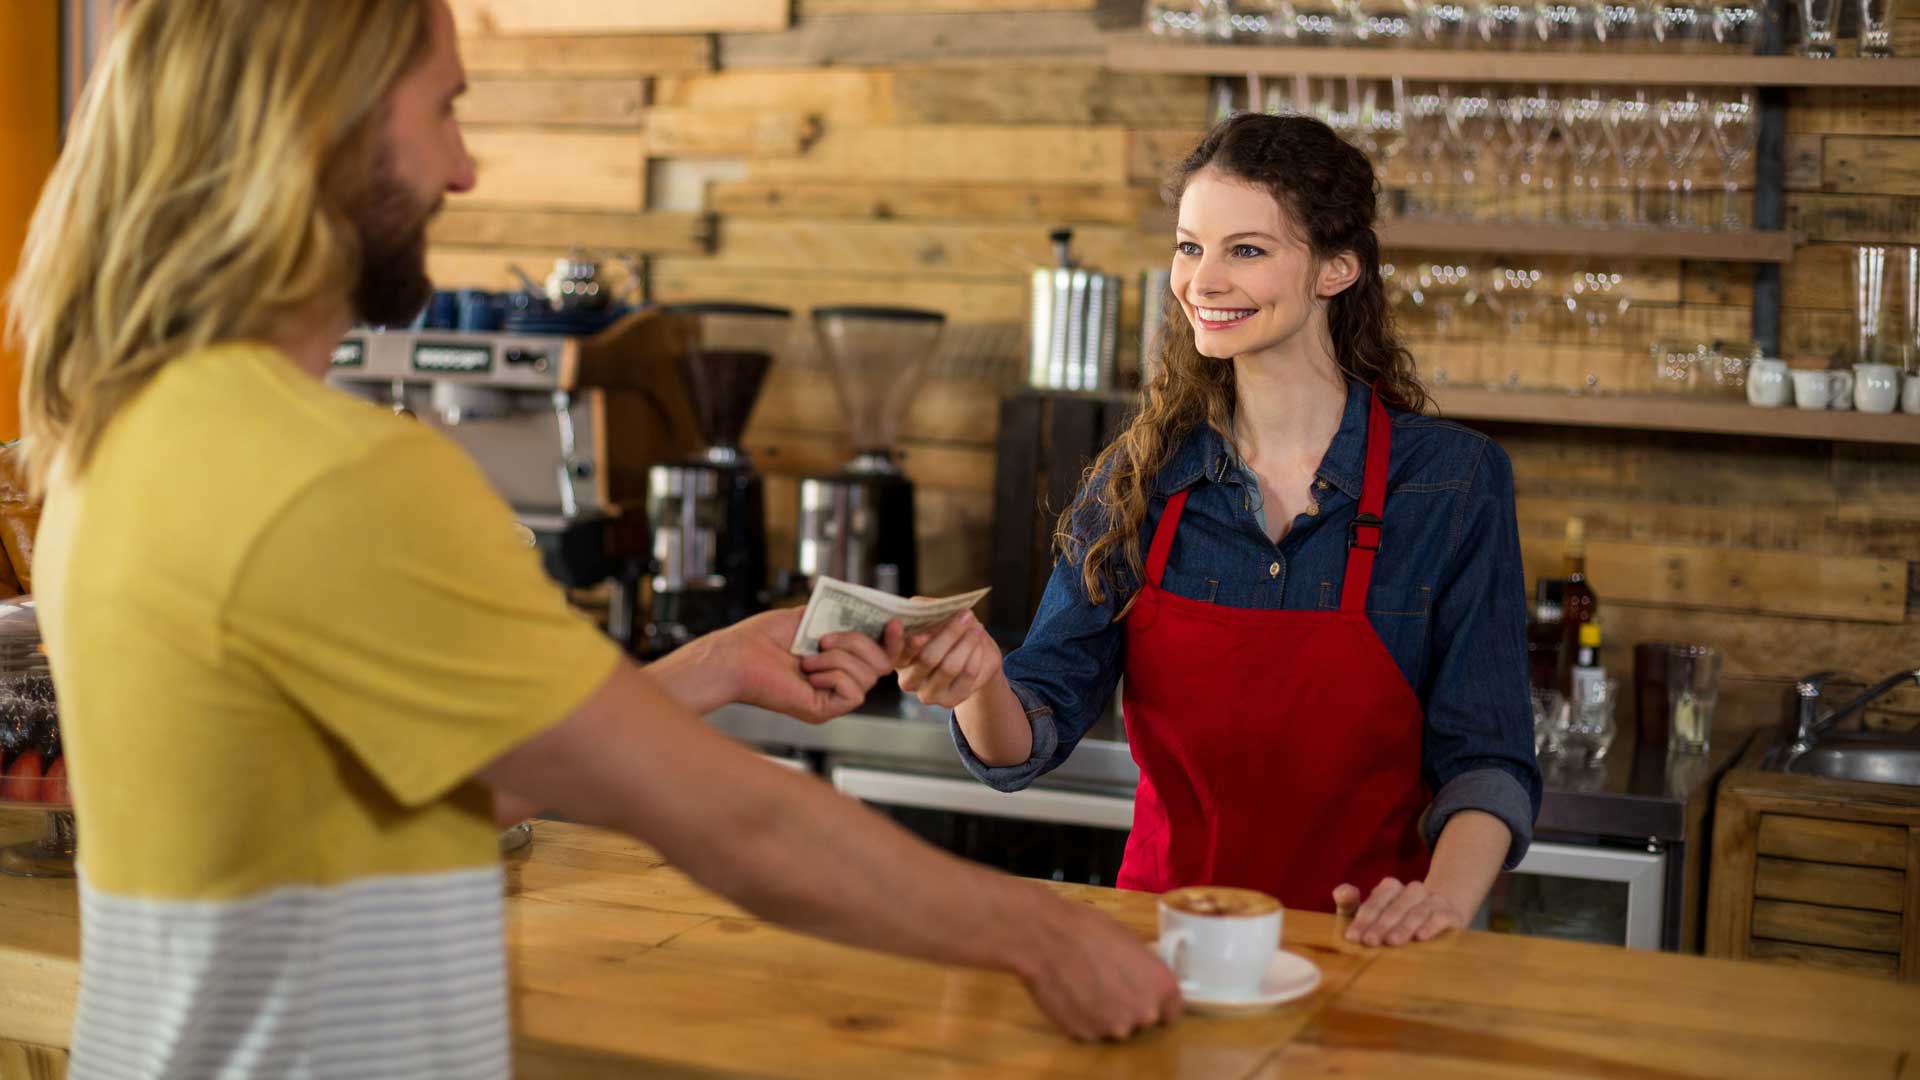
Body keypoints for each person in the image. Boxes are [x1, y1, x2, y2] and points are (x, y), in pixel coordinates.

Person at [6, 1, 1180, 1074]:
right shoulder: (337, 476)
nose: (464, 168)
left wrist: (714, 665)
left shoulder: (119, 438)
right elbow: (737, 821)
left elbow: (433, 784)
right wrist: (1042, 931)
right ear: (322, 130)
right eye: (445, 109)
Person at [895, 113, 1542, 949]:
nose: (1203, 281)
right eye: (1189, 248)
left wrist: (1440, 904)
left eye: (1247, 250)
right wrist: (978, 682)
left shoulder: (1451, 484)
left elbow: (1488, 757)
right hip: (1168, 949)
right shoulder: (1137, 480)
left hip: (1370, 945)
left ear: (1337, 268)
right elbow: (1026, 739)